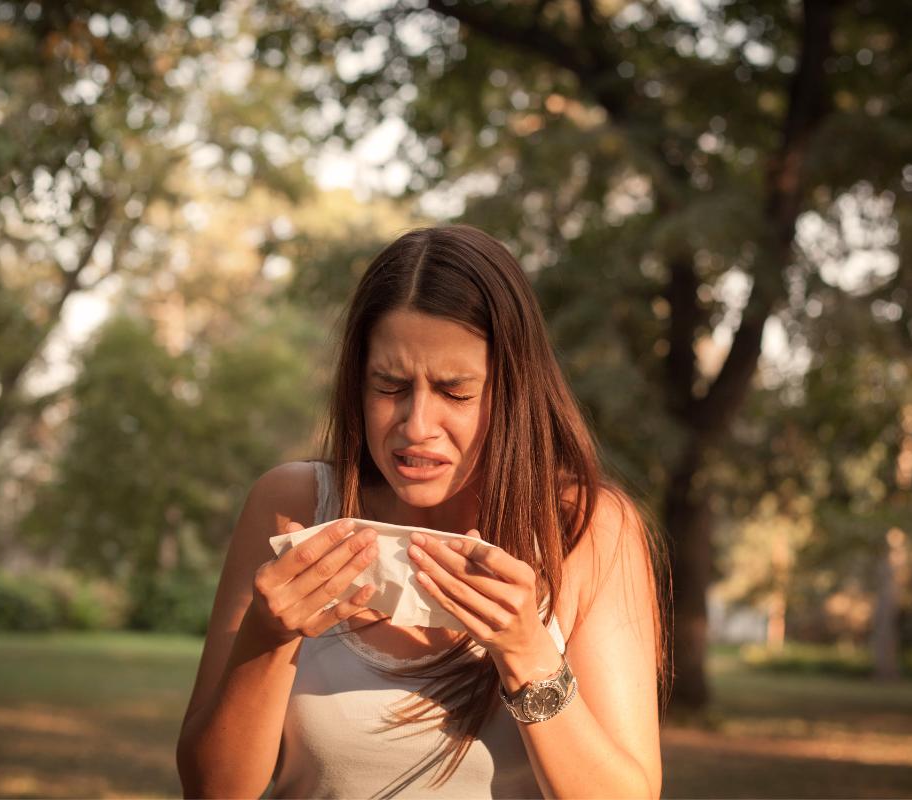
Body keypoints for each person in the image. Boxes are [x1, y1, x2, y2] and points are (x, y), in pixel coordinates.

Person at [176, 224, 669, 799]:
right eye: (389, 386)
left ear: (514, 392)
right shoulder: (293, 509)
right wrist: (267, 635)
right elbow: (212, 790)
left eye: (455, 392)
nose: (415, 427)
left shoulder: (588, 529)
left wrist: (529, 653)